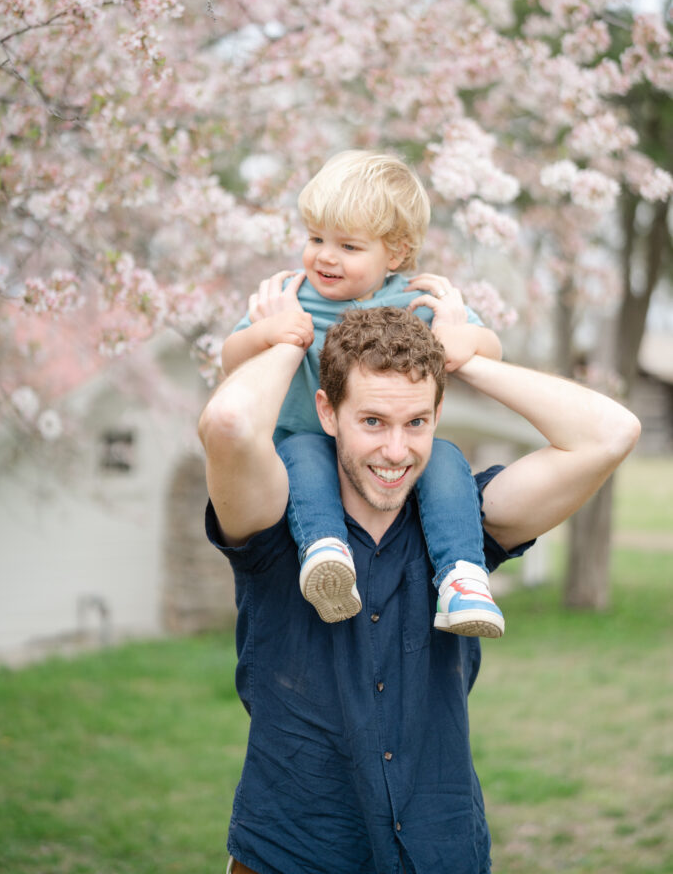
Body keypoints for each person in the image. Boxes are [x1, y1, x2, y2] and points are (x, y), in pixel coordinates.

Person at [199, 304, 640, 874]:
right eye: (373, 421)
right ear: (327, 413)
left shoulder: (465, 528)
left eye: (417, 423)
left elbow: (612, 433)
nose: (396, 451)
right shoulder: (274, 521)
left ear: (437, 415)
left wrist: (467, 360)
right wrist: (290, 341)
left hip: (441, 849)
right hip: (293, 852)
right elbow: (229, 424)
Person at [221, 149, 506, 638]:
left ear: (393, 253)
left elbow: (491, 350)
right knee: (306, 458)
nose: (325, 256)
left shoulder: (415, 300)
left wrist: (463, 337)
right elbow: (231, 358)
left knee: (446, 461)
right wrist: (269, 332)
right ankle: (326, 555)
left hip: (387, 444)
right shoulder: (292, 294)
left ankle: (463, 577)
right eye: (315, 239)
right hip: (307, 436)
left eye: (348, 246)